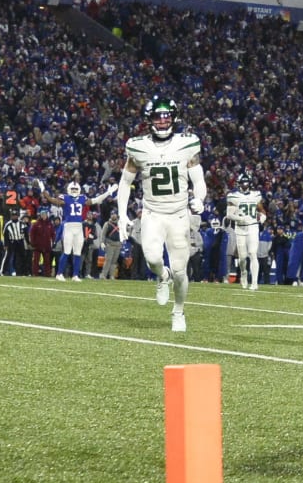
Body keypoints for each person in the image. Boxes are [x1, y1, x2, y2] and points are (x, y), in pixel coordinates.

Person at [117, 96, 207, 333]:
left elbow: (198, 179)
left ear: (174, 118)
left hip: (178, 214)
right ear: (150, 120)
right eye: (158, 116)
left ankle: (178, 311)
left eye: (167, 116)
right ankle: (161, 275)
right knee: (153, 259)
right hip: (153, 213)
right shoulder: (138, 147)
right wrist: (121, 214)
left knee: (181, 270)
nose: (163, 121)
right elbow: (125, 183)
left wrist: (199, 198)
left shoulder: (186, 144)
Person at [41, 180, 114, 281]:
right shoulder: (65, 198)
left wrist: (108, 193)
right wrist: (44, 191)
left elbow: (96, 200)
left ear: (79, 189)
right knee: (66, 251)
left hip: (79, 227)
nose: (74, 190)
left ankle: (75, 275)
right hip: (69, 226)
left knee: (77, 252)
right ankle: (59, 274)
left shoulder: (82, 198)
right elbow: (53, 200)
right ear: (69, 189)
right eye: (72, 189)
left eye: (76, 189)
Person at [225, 171, 266, 291]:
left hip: (253, 227)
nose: (245, 185)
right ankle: (243, 273)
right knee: (242, 258)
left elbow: (261, 210)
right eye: (243, 183)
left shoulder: (256, 195)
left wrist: (263, 217)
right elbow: (229, 215)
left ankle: (254, 282)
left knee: (253, 254)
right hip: (240, 228)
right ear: (239, 183)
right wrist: (241, 218)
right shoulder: (233, 196)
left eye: (246, 182)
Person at [29, 210, 55, 277]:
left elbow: (53, 234)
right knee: (36, 261)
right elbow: (32, 234)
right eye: (42, 214)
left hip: (47, 245)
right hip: (37, 245)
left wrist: (53, 242)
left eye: (45, 214)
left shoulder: (50, 224)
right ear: (40, 215)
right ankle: (35, 273)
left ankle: (47, 274)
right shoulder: (36, 224)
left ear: (47, 215)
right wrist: (32, 242)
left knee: (47, 261)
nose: (44, 216)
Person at [100, 210, 124, 279]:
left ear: (117, 215)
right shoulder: (107, 224)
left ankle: (112, 275)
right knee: (108, 260)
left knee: (114, 261)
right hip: (109, 244)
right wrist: (102, 242)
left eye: (114, 214)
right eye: (112, 214)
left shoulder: (120, 224)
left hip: (118, 245)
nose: (113, 215)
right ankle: (103, 275)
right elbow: (103, 234)